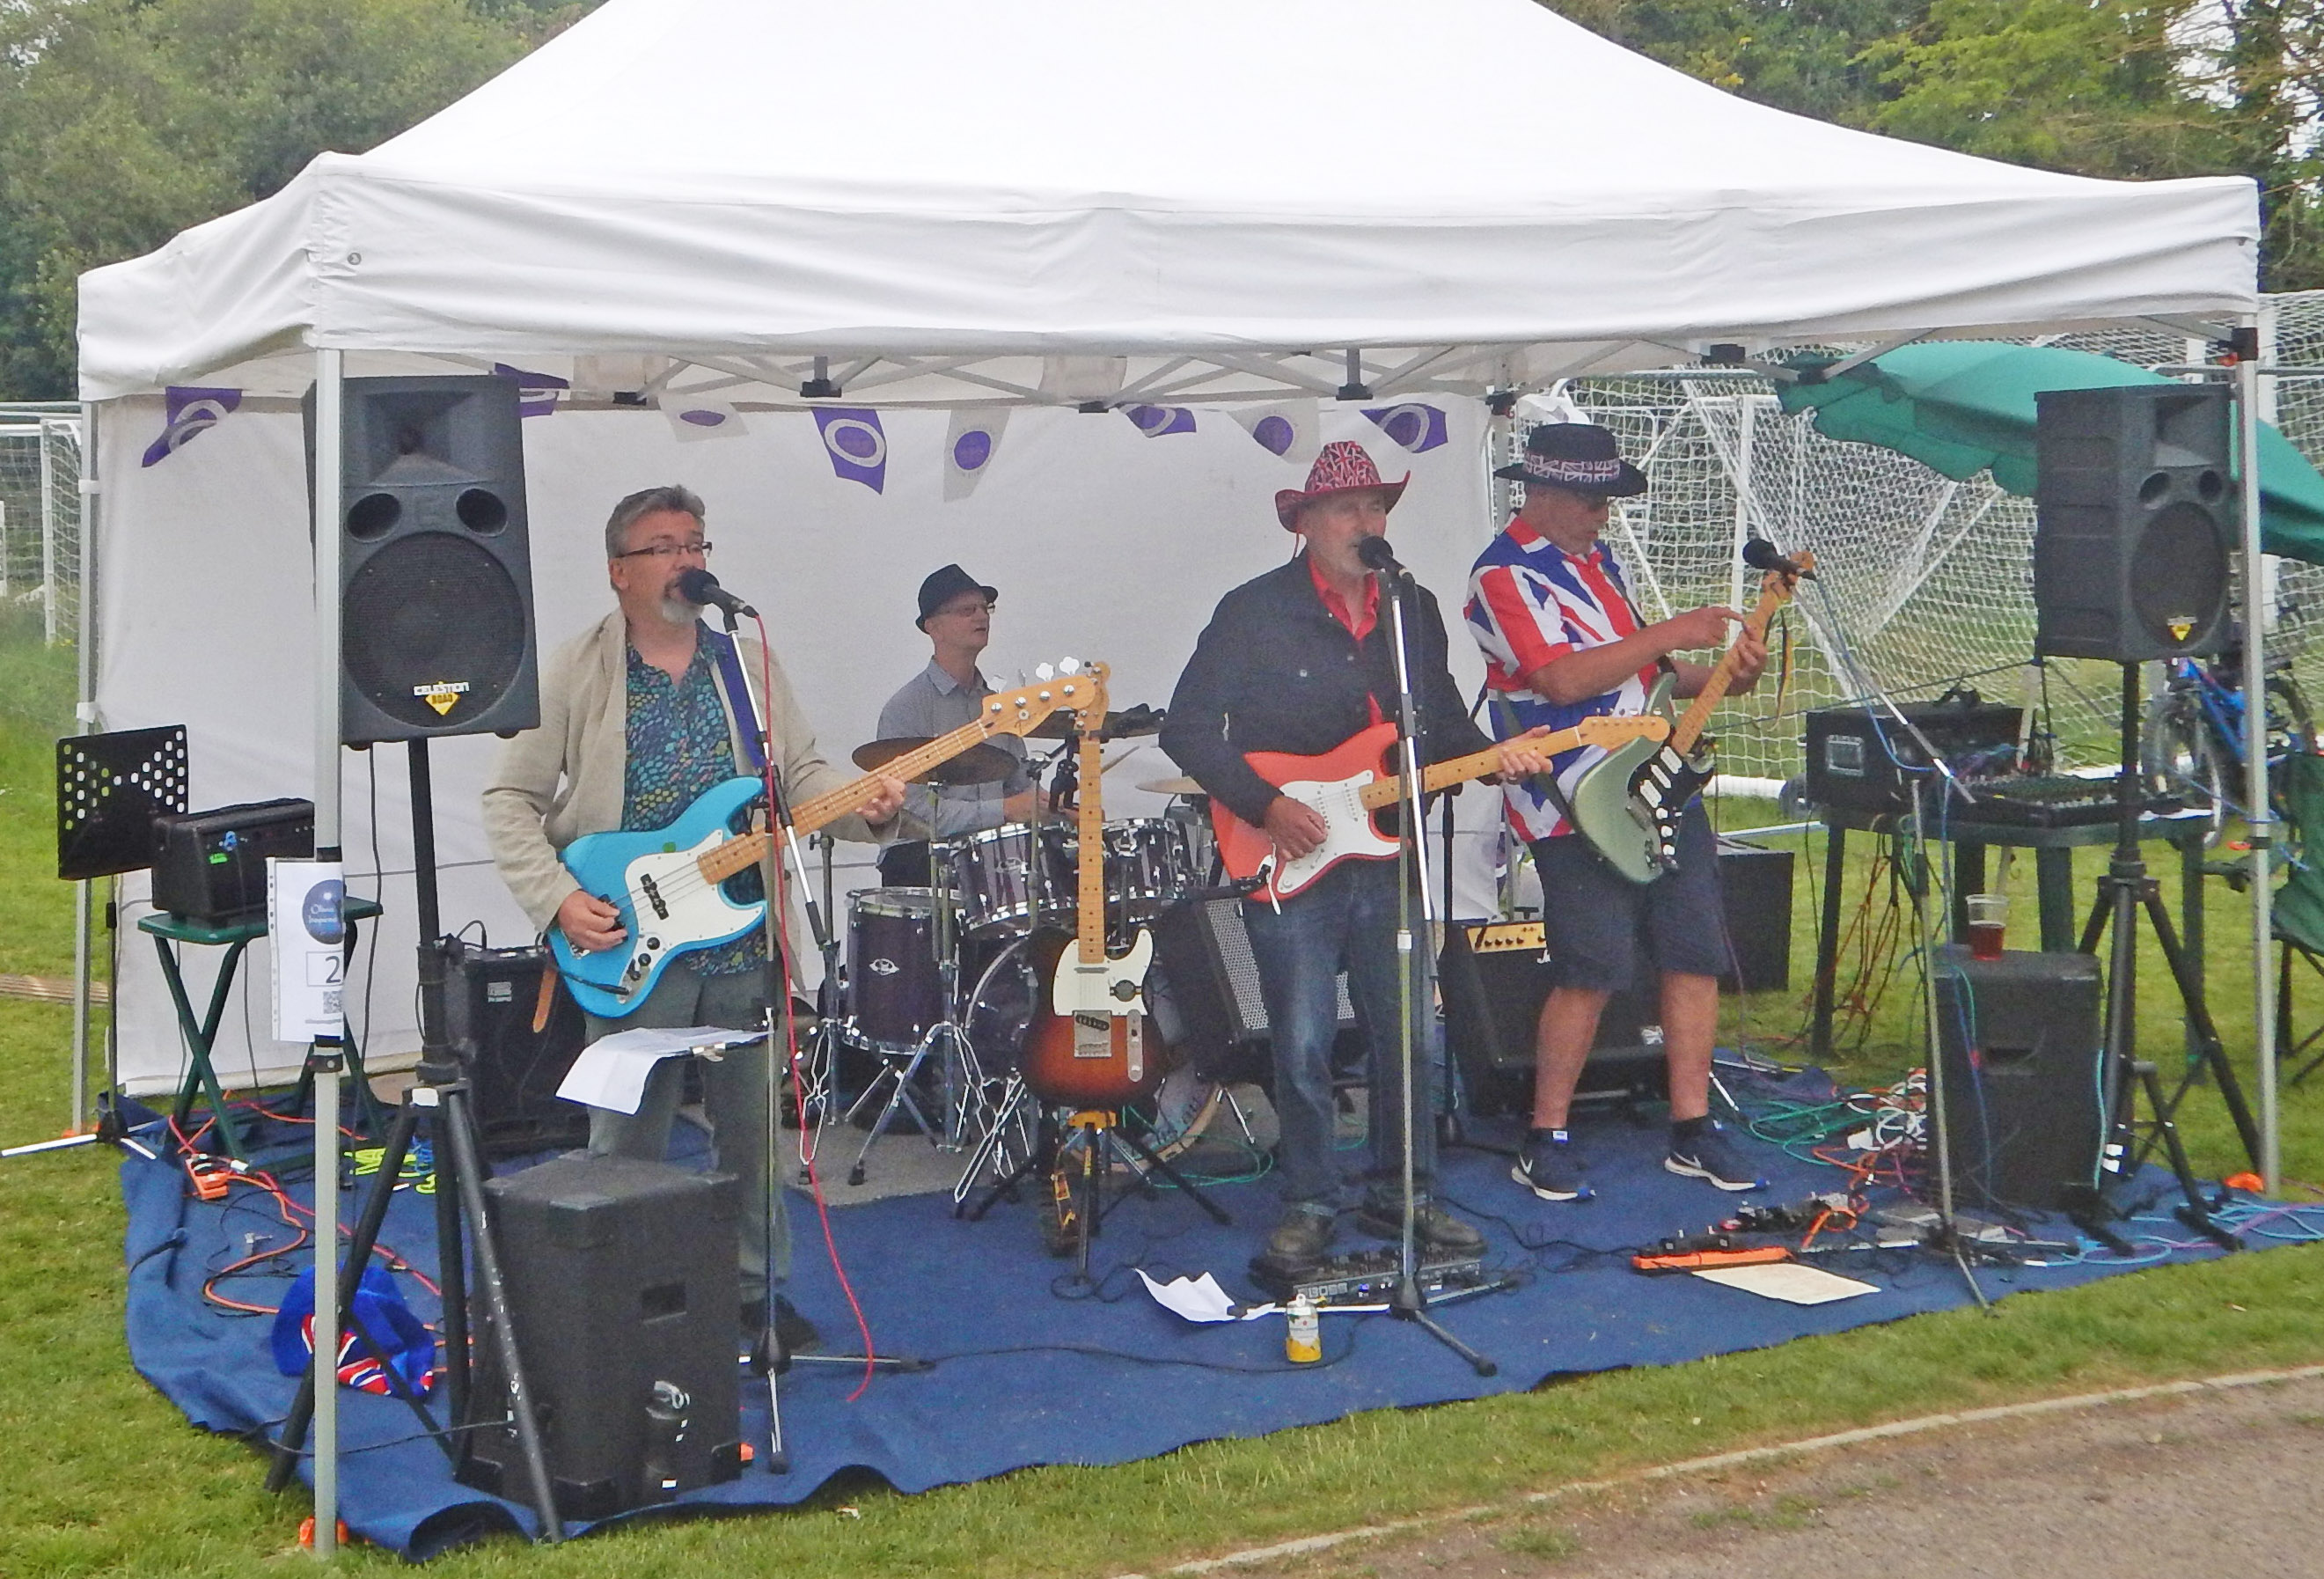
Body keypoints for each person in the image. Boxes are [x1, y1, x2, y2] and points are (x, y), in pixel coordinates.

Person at [481, 485, 905, 1344]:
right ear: (619, 571)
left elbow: (800, 775)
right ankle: (618, 1302)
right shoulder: (574, 669)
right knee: (627, 1141)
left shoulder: (744, 663)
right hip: (630, 942)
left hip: (741, 939)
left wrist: (866, 807)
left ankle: (753, 1292)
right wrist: (558, 899)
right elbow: (508, 799)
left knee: (750, 1138)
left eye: (696, 543)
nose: (686, 559)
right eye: (665, 546)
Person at [1162, 441, 1553, 1274]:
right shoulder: (1252, 611)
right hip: (1289, 851)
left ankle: (1402, 1190)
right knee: (1303, 1042)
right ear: (1304, 523)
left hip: (1387, 850)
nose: (1365, 522)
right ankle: (1310, 1201)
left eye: (1376, 506)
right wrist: (1266, 805)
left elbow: (1438, 722)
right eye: (1347, 508)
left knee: (1407, 1035)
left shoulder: (1411, 608)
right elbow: (1185, 728)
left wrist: (1494, 758)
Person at [1464, 423, 1767, 1204]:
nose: (1604, 517)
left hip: (1653, 777)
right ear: (1543, 493)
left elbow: (1648, 672)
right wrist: (1668, 632)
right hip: (1572, 797)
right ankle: (1545, 1133)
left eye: (1607, 502)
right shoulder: (1500, 573)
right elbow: (1562, 679)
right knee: (1591, 965)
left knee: (1693, 950)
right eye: (1593, 501)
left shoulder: (1600, 562)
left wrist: (1727, 674)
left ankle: (1692, 1125)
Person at [873, 564, 1037, 887]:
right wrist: (1003, 810)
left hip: (988, 854)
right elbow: (911, 810)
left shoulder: (997, 706)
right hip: (921, 857)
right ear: (934, 628)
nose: (982, 616)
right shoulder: (905, 708)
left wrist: (1056, 808)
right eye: (967, 610)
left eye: (985, 608)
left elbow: (1020, 786)